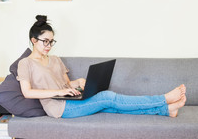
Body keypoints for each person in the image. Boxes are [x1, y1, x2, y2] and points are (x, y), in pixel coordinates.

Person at [17, 15, 187, 119]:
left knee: (112, 106)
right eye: (45, 41)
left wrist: (79, 83)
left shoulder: (55, 59)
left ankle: (166, 110)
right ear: (34, 40)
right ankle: (163, 99)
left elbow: (67, 84)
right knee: (108, 97)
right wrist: (58, 92)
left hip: (70, 100)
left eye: (51, 41)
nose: (49, 45)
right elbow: (28, 92)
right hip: (58, 108)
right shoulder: (25, 63)